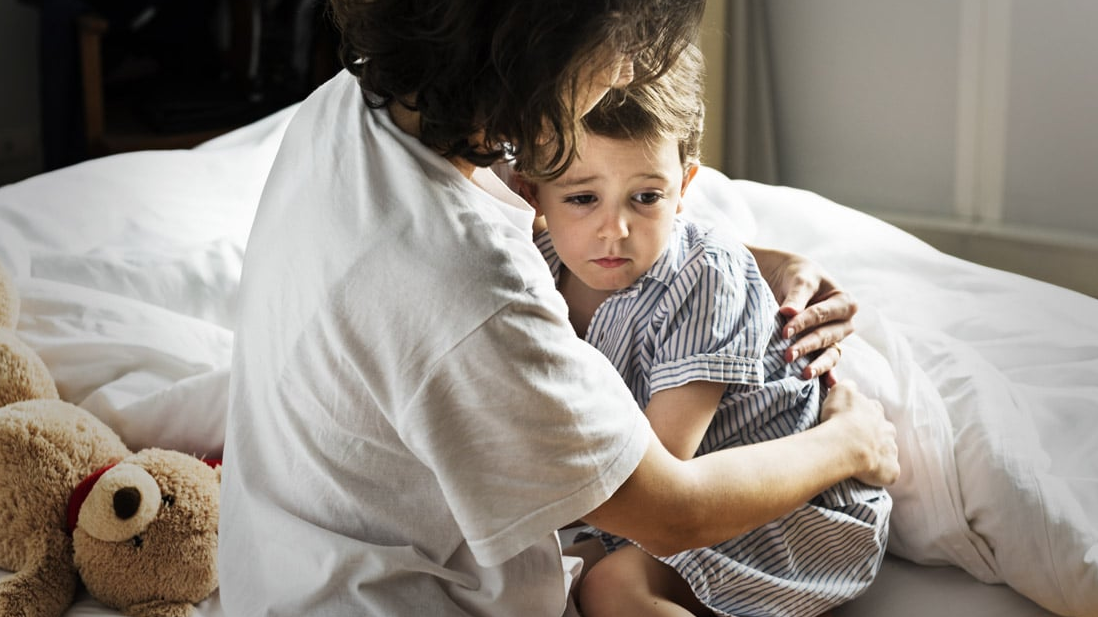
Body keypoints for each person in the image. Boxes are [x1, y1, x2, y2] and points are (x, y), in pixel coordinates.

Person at [218, 1, 900, 615]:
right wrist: (848, 441)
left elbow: (553, 225)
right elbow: (674, 511)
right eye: (615, 42)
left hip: (277, 579)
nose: (627, 68)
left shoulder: (345, 105)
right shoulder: (473, 292)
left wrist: (748, 259)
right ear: (536, 46)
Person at [518, 44, 891, 617]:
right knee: (541, 585)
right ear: (532, 193)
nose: (614, 229)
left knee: (611, 588)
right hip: (660, 507)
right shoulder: (533, 267)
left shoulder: (702, 274)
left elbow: (658, 468)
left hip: (787, 506)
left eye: (646, 197)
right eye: (582, 198)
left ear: (685, 186)